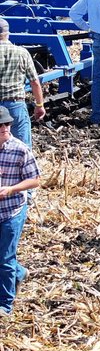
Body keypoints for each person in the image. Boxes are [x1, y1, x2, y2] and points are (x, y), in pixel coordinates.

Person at [0, 108, 40, 316]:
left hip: (12, 210)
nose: (4, 128)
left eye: (7, 124)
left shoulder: (20, 149)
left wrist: (12, 189)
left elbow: (35, 179)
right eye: (0, 125)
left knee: (5, 259)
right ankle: (20, 272)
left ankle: (5, 304)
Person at [0, 18, 44, 149]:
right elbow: (34, 82)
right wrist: (39, 105)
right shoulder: (22, 52)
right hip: (15, 105)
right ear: (8, 34)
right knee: (23, 148)